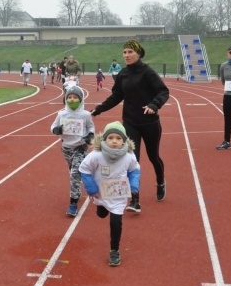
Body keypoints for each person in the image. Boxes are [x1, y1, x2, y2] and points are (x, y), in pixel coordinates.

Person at [91, 39, 169, 210]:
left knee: (153, 157)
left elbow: (163, 91)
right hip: (130, 123)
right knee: (132, 160)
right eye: (124, 52)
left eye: (130, 52)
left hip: (150, 123)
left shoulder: (148, 72)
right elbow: (116, 96)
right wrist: (99, 109)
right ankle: (135, 199)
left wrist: (154, 105)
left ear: (138, 54)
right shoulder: (123, 74)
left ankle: (160, 181)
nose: (126, 55)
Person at [80, 121, 141, 267]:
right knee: (102, 214)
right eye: (111, 138)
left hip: (118, 196)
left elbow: (134, 170)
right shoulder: (96, 155)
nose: (114, 141)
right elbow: (84, 169)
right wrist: (91, 188)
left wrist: (134, 186)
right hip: (100, 193)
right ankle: (101, 207)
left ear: (124, 140)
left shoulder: (129, 156)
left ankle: (114, 251)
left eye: (118, 138)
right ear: (104, 139)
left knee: (115, 222)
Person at [51, 84, 96, 217]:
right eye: (69, 97)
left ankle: (73, 204)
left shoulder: (86, 115)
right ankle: (77, 188)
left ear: (80, 99)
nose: (72, 99)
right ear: (65, 99)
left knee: (75, 174)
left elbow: (91, 127)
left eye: (75, 97)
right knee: (72, 170)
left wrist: (90, 135)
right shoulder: (61, 114)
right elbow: (53, 126)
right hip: (66, 148)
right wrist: (56, 130)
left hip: (80, 147)